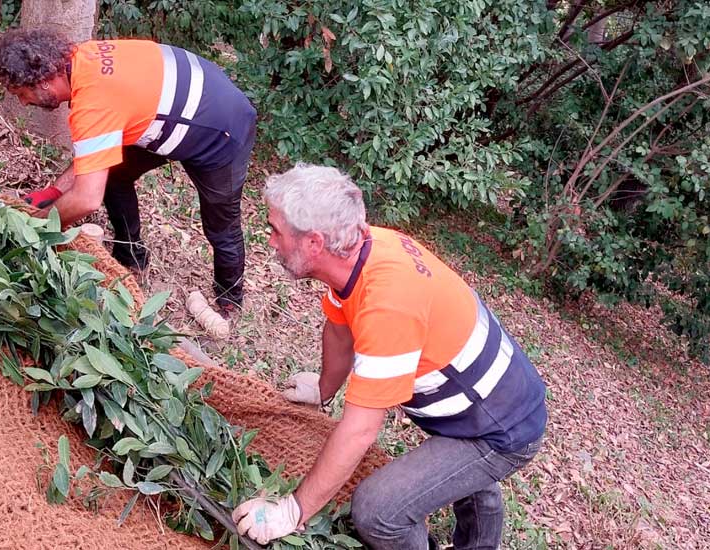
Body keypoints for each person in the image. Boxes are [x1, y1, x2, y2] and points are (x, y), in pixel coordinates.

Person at [232, 165, 548, 549]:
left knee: (377, 510)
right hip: (480, 398)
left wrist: (295, 510)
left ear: (314, 242)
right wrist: (323, 389)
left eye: (276, 231)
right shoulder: (361, 253)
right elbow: (339, 327)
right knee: (466, 479)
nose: (270, 241)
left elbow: (360, 430)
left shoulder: (388, 307)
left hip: (500, 427)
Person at [0, 30, 256, 312]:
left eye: (21, 94)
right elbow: (94, 156)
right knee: (113, 175)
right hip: (178, 104)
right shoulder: (83, 58)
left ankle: (229, 301)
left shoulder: (93, 103)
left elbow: (86, 199)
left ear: (42, 82)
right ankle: (131, 257)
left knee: (221, 226)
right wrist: (55, 191)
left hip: (222, 128)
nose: (23, 103)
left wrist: (36, 227)